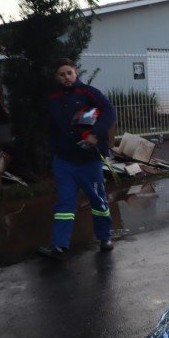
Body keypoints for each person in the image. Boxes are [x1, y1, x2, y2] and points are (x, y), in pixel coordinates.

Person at [37, 58, 117, 259]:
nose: (66, 77)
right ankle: (59, 245)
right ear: (57, 77)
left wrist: (96, 134)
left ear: (76, 73)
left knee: (98, 202)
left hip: (89, 160)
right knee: (64, 204)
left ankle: (105, 237)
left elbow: (109, 112)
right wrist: (54, 150)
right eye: (62, 74)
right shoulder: (52, 98)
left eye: (69, 73)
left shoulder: (88, 93)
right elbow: (50, 127)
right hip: (64, 161)